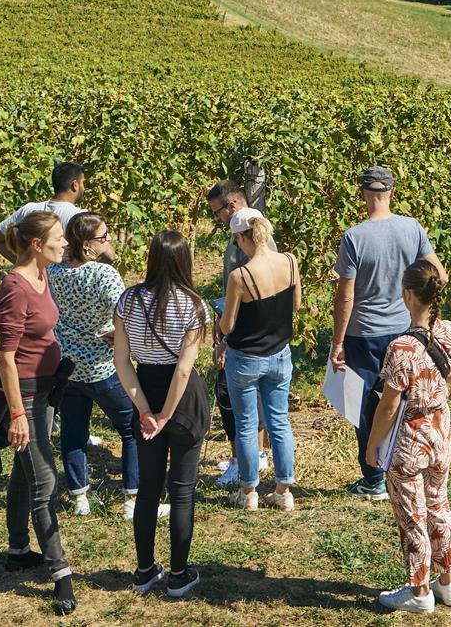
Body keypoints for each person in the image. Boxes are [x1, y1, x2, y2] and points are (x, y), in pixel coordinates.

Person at [330, 164, 445, 500]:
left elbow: (346, 295)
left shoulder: (354, 237)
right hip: (404, 328)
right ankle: (405, 464)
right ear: (392, 193)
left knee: (364, 405)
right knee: (401, 398)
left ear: (363, 194)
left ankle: (373, 477)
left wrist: (338, 341)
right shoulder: (412, 229)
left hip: (362, 333)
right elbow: (439, 273)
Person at [364, 259, 451, 615]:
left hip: (409, 438)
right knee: (439, 504)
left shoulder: (401, 349)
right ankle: (448, 582)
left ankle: (419, 590)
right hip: (440, 431)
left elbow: (389, 407)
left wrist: (373, 444)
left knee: (412, 515)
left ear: (408, 294)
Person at [114, 230, 212, 600]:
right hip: (183, 402)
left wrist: (145, 411)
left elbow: (122, 361)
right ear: (185, 260)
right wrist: (167, 415)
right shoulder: (194, 305)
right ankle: (178, 573)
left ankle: (143, 570)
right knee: (183, 491)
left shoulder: (128, 300)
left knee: (148, 489)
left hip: (146, 389)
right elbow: (184, 371)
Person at [50, 213, 165, 522]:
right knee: (132, 429)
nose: (110, 241)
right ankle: (132, 498)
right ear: (87, 246)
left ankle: (80, 498)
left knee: (73, 433)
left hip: (68, 367)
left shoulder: (52, 273)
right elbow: (125, 316)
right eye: (104, 238)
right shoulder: (104, 275)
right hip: (105, 367)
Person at [0, 210, 77, 616]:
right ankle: (61, 573)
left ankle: (17, 550)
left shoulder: (41, 277)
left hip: (44, 392)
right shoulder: (14, 289)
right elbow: (6, 358)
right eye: (59, 238)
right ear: (36, 244)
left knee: (23, 474)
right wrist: (16, 415)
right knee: (45, 481)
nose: (65, 243)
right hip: (25, 396)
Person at [215, 208, 299, 511]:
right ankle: (283, 490)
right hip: (280, 353)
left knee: (247, 424)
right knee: (280, 421)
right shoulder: (290, 261)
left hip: (246, 357)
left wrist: (222, 313)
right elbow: (297, 303)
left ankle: (249, 490)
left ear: (240, 237)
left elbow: (227, 326)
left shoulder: (240, 276)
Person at [204, 177, 268, 490]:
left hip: (243, 330)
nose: (216, 218)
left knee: (236, 397)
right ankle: (251, 455)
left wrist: (226, 331)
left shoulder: (252, 237)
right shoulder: (239, 233)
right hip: (236, 322)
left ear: (232, 206)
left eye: (217, 212)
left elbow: (252, 290)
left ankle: (246, 461)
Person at [0, 162, 89, 259]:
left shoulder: (29, 209)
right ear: (75, 185)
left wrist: (23, 264)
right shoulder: (80, 217)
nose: (84, 187)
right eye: (83, 183)